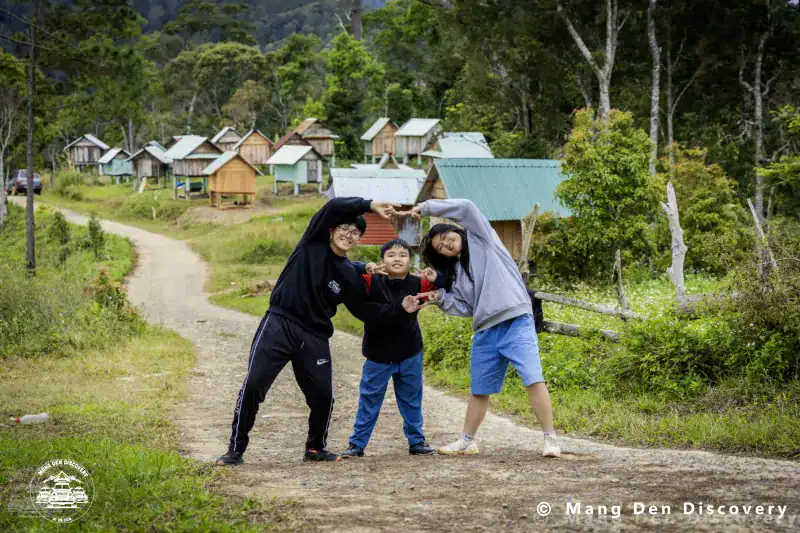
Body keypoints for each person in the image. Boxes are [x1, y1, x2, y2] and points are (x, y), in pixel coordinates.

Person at [216, 197, 420, 466]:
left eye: (356, 232)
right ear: (331, 230)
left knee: (323, 396)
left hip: (314, 335)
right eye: (345, 228)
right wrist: (369, 205)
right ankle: (235, 449)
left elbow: (366, 311)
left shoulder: (349, 273)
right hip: (279, 323)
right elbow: (334, 207)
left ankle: (314, 448)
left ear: (359, 240)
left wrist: (401, 308)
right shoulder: (311, 244)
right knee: (254, 384)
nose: (349, 234)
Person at [397, 199, 561, 458]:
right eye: (441, 248)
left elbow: (467, 208)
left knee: (532, 377)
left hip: (515, 319)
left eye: (445, 238)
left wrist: (425, 208)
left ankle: (550, 438)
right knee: (479, 389)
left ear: (454, 231)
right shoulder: (457, 275)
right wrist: (439, 298)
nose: (446, 245)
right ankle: (467, 440)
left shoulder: (482, 238)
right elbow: (466, 307)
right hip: (486, 329)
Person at [341, 239, 445, 458]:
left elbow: (451, 284)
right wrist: (365, 266)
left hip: (410, 352)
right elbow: (344, 267)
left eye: (402, 255)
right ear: (382, 261)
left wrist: (436, 281)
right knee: (369, 399)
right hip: (378, 354)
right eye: (390, 255)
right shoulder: (370, 281)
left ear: (410, 260)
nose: (397, 258)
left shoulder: (420, 283)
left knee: (411, 399)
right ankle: (357, 444)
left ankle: (417, 441)